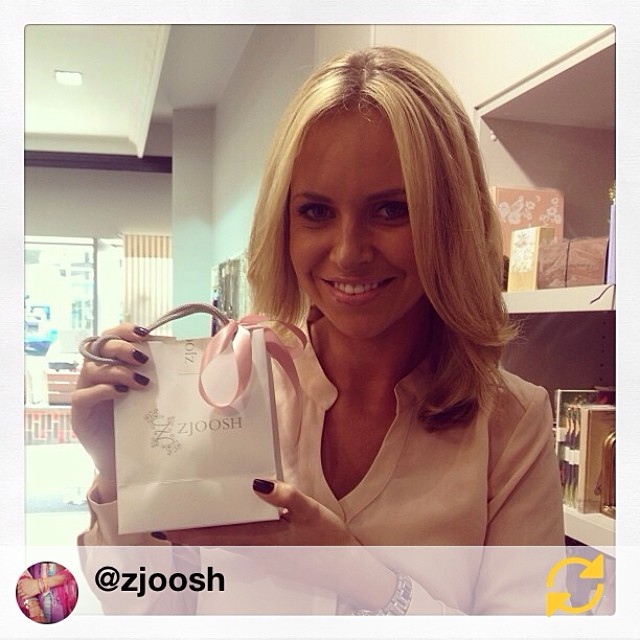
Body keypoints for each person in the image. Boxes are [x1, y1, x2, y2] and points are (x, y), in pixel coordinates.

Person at [72, 46, 564, 615]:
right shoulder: (222, 393)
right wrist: (120, 477)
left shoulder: (509, 426)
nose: (349, 252)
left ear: (449, 218)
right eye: (315, 211)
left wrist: (353, 573)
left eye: (391, 210)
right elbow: (151, 614)